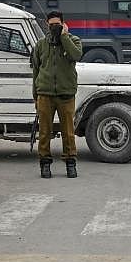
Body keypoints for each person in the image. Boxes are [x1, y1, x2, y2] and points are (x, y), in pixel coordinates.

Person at [32, 10, 83, 178]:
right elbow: (36, 71)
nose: (54, 27)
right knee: (45, 132)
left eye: (57, 25)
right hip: (45, 94)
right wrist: (35, 96)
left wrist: (64, 36)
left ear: (63, 24)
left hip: (65, 94)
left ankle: (70, 163)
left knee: (68, 132)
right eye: (52, 25)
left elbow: (76, 55)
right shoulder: (40, 44)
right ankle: (45, 163)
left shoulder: (72, 40)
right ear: (47, 25)